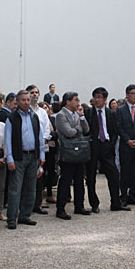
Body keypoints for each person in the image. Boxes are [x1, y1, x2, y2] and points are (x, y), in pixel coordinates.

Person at [4, 90, 46, 230]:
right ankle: (11, 218)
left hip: (33, 156)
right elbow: (8, 139)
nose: (26, 102)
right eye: (23, 100)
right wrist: (9, 158)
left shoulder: (34, 117)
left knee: (30, 188)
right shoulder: (12, 118)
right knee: (15, 189)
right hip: (18, 157)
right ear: (17, 101)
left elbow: (39, 137)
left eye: (28, 100)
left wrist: (41, 155)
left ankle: (25, 215)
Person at [85, 87, 129, 213]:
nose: (97, 100)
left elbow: (115, 131)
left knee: (113, 174)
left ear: (105, 99)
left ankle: (115, 202)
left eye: (100, 97)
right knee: (91, 176)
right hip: (93, 146)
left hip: (106, 146)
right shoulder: (89, 112)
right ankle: (94, 204)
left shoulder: (111, 113)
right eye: (95, 97)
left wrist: (111, 144)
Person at [55, 91, 90, 219]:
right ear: (68, 101)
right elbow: (69, 132)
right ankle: (60, 209)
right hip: (67, 152)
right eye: (75, 99)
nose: (78, 102)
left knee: (79, 180)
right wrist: (78, 128)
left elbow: (86, 130)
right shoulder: (61, 115)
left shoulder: (76, 114)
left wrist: (82, 117)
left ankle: (79, 206)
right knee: (65, 180)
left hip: (79, 151)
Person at [26, 85, 52, 215]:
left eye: (36, 92)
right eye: (32, 92)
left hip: (41, 147)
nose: (34, 95)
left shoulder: (42, 112)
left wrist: (43, 139)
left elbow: (47, 128)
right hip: (29, 147)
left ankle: (37, 203)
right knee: (28, 177)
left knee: (40, 176)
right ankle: (26, 205)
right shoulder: (25, 111)